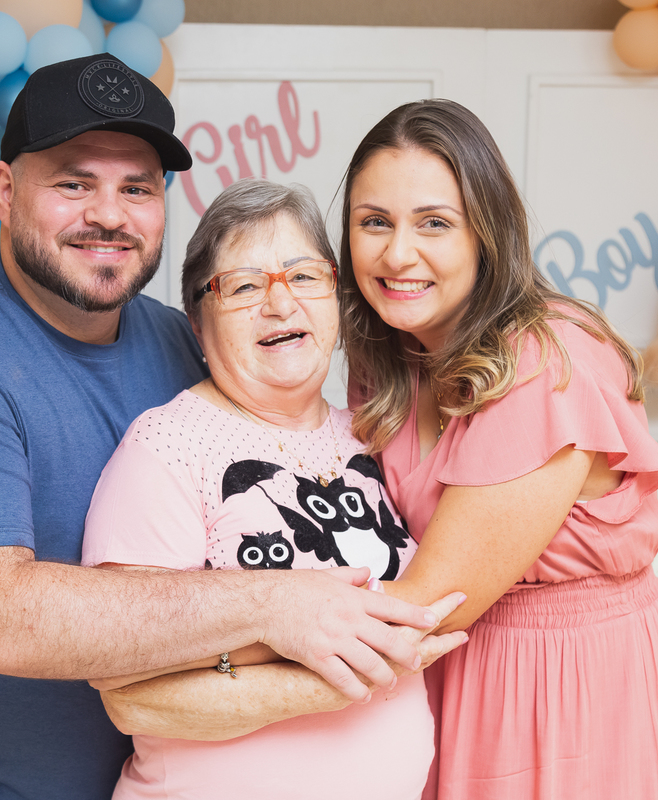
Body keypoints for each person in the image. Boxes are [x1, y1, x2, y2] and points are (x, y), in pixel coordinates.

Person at [0, 55, 437, 800]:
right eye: (74, 184)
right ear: (5, 191)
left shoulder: (183, 341)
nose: (109, 215)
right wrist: (278, 601)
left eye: (136, 188)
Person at [337, 99, 658, 798]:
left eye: (434, 223)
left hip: (571, 681)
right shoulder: (390, 361)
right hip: (450, 670)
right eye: (374, 222)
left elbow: (429, 606)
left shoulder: (541, 359)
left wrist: (225, 637)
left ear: (488, 233)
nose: (397, 254)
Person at [80, 178, 467, 799]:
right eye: (243, 286)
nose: (281, 304)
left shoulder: (373, 435)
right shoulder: (166, 446)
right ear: (198, 323)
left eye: (304, 276)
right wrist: (345, 676)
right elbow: (131, 694)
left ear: (336, 297)